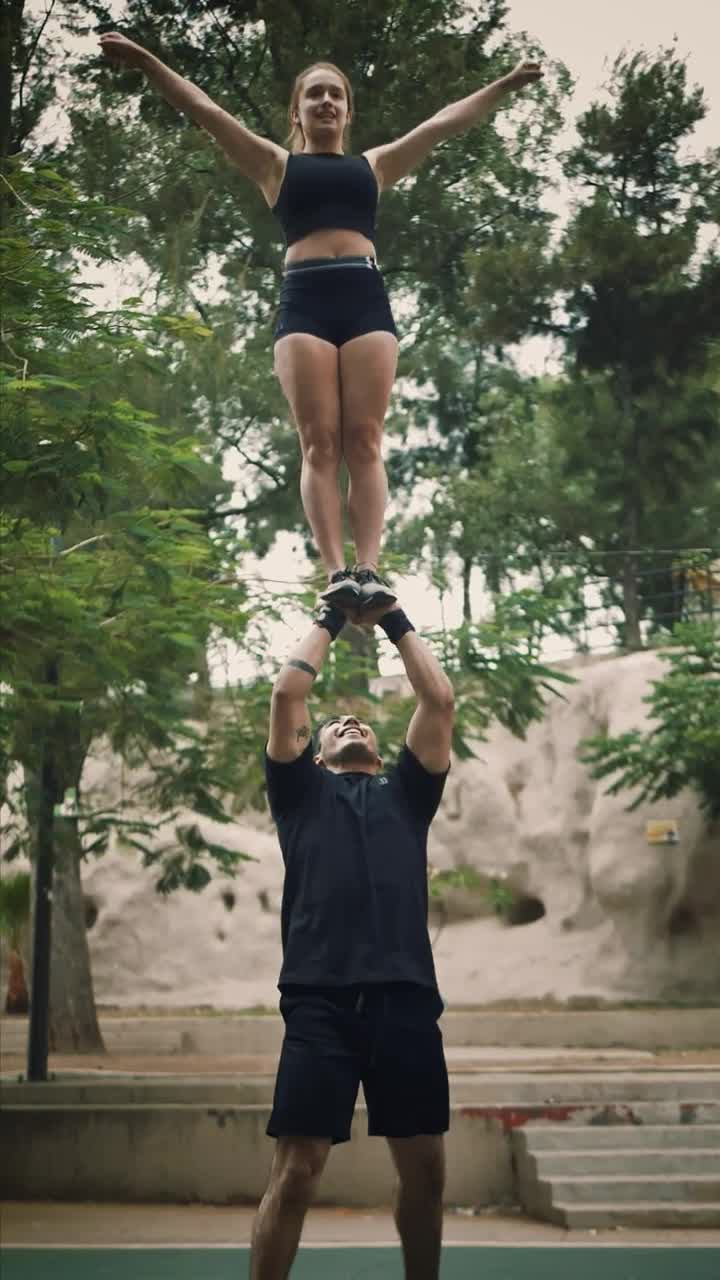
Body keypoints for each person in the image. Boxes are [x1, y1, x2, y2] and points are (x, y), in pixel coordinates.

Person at [99, 34, 543, 609]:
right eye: (315, 95)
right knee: (319, 444)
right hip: (305, 300)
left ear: (348, 110)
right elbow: (205, 111)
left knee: (365, 439)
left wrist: (504, 84)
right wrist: (146, 61)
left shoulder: (373, 165)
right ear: (298, 111)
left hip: (364, 295)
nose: (327, 101)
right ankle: (336, 573)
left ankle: (370, 568)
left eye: (336, 94)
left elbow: (442, 124)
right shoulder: (275, 164)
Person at [256, 594, 454, 1280]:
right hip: (320, 1002)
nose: (349, 724)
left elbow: (439, 698)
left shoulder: (409, 792)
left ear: (379, 747)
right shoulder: (300, 795)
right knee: (298, 1170)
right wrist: (333, 615)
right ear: (315, 755)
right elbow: (288, 692)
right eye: (335, 722)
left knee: (426, 1174)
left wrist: (393, 619)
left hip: (404, 999)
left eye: (362, 723)